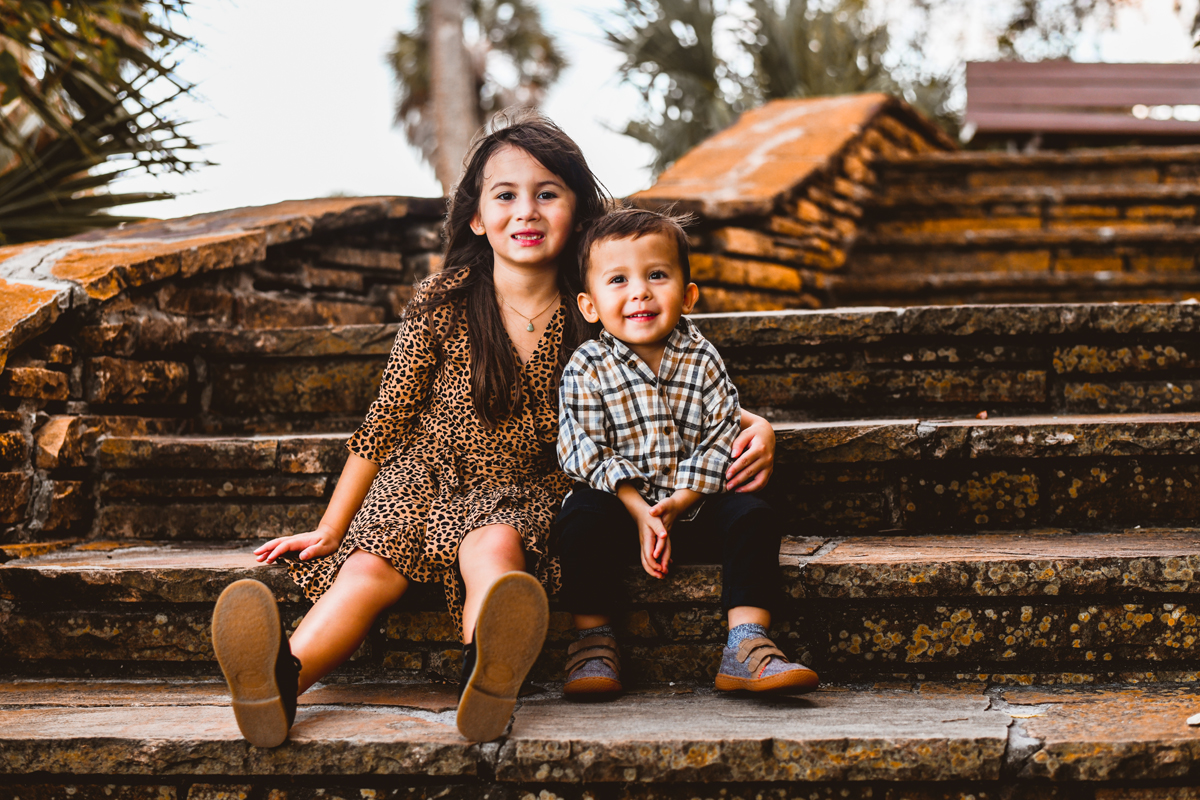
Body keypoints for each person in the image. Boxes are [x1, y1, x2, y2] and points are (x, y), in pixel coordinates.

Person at [208, 111, 780, 748]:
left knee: (493, 552)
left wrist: (754, 424)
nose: (526, 212)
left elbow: (671, 376)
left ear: (579, 211)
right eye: (505, 195)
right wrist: (331, 526)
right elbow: (384, 421)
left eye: (547, 194)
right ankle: (280, 678)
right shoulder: (445, 299)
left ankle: (482, 673)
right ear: (477, 217)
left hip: (523, 490)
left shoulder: (596, 302)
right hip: (421, 479)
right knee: (364, 573)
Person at [554, 206, 819, 697]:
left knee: (754, 514)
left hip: (696, 502)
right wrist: (639, 509)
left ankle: (747, 643)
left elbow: (722, 433)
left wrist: (681, 501)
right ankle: (592, 641)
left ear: (688, 294)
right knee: (578, 519)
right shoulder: (586, 366)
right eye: (619, 279)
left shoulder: (702, 358)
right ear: (589, 306)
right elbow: (580, 447)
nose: (640, 291)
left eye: (657, 275)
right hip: (621, 506)